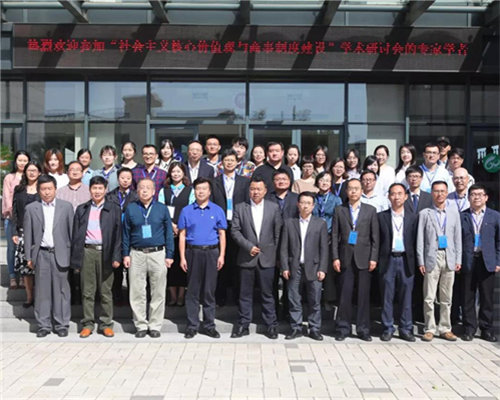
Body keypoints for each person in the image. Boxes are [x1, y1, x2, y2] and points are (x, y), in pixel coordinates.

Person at [231, 176, 283, 339]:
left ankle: (271, 325)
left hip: (267, 258)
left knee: (268, 294)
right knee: (245, 294)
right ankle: (243, 324)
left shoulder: (273, 207)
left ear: (265, 191)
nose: (255, 192)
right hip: (246, 257)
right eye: (253, 189)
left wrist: (274, 254)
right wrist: (248, 246)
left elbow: (277, 232)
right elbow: (235, 231)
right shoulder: (241, 207)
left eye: (259, 189)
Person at [122, 178, 175, 338]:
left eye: (148, 188)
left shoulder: (162, 208)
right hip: (136, 253)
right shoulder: (131, 208)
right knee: (137, 291)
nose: (144, 190)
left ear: (154, 191)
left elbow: (168, 232)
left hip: (158, 253)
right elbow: (125, 233)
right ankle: (140, 325)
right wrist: (125, 254)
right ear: (137, 191)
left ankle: (155, 325)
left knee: (158, 291)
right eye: (141, 188)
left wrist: (169, 255)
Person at [71, 176, 122, 338]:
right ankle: (87, 323)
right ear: (90, 189)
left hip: (106, 252)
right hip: (87, 252)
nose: (97, 191)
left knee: (106, 291)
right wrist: (76, 259)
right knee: (87, 291)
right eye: (94, 188)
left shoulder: (113, 209)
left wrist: (116, 256)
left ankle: (106, 324)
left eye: (100, 188)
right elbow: (76, 235)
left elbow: (118, 235)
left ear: (106, 190)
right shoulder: (82, 209)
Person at [23, 174, 74, 337]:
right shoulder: (31, 208)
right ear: (38, 190)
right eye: (43, 189)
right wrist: (28, 257)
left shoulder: (66, 207)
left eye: (49, 189)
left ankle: (61, 324)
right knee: (42, 291)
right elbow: (28, 235)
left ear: (55, 189)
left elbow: (71, 233)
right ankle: (43, 325)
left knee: (61, 291)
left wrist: (73, 256)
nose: (46, 192)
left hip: (61, 253)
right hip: (41, 254)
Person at [178, 177, 227, 339]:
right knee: (192, 290)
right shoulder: (186, 211)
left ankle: (209, 325)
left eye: (204, 189)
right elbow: (182, 235)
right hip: (193, 253)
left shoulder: (217, 210)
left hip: (211, 253)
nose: (201, 192)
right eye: (198, 189)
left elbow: (222, 234)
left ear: (209, 191)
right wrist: (182, 257)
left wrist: (222, 255)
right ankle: (192, 325)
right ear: (194, 191)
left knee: (209, 291)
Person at [332, 178, 379, 341]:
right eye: (350, 188)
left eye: (356, 188)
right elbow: (335, 235)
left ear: (361, 191)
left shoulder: (370, 210)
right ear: (346, 191)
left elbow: (375, 237)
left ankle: (363, 329)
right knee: (344, 295)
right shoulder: (339, 210)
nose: (353, 191)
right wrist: (335, 257)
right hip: (345, 257)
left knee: (363, 296)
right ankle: (343, 328)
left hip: (364, 258)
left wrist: (373, 258)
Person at [417, 181, 462, 342]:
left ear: (447, 193)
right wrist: (421, 261)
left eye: (443, 191)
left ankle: (445, 328)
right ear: (432, 193)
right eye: (436, 191)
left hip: (449, 257)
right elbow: (420, 239)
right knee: (429, 296)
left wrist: (458, 259)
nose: (439, 194)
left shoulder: (454, 213)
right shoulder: (425, 213)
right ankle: (429, 328)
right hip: (432, 257)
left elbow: (457, 238)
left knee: (446, 297)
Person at [280, 192, 329, 341]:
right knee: (294, 299)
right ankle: (296, 327)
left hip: (314, 267)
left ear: (313, 206)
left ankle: (314, 328)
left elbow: (324, 249)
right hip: (294, 267)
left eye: (308, 203)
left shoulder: (320, 223)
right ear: (298, 204)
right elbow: (284, 247)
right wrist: (284, 267)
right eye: (302, 202)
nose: (305, 206)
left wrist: (322, 268)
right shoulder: (289, 223)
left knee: (314, 300)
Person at [378, 183, 418, 342]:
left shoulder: (413, 217)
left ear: (406, 196)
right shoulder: (381, 217)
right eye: (393, 194)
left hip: (406, 260)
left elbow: (416, 241)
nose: (396, 197)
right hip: (388, 260)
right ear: (388, 196)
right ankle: (387, 328)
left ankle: (406, 328)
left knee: (406, 296)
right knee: (387, 296)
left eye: (400, 193)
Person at [460, 184, 500, 342]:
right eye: (473, 194)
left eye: (480, 194)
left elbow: (499, 241)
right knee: (467, 296)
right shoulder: (462, 216)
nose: (476, 197)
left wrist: (498, 261)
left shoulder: (495, 216)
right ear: (469, 197)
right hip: (468, 260)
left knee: (487, 297)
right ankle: (469, 328)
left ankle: (486, 329)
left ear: (486, 197)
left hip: (487, 260)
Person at [210, 149, 250, 306]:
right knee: (221, 261)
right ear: (222, 163)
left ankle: (237, 296)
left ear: (237, 163)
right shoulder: (214, 182)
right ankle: (220, 296)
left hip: (238, 225)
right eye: (226, 160)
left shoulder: (244, 182)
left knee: (237, 261)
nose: (229, 163)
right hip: (220, 225)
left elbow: (247, 204)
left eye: (232, 160)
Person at [158, 162, 194, 307]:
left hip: (184, 232)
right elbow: (161, 210)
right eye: (173, 171)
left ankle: (181, 296)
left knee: (183, 263)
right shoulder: (164, 190)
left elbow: (191, 209)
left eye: (179, 171)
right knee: (170, 264)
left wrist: (181, 226)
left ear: (183, 173)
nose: (176, 174)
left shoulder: (190, 190)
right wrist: (171, 225)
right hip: (168, 231)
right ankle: (172, 296)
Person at [106, 167, 139, 305]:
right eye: (122, 178)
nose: (125, 181)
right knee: (116, 268)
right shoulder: (110, 196)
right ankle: (117, 296)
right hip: (114, 234)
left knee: (133, 269)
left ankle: (132, 299)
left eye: (128, 178)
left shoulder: (136, 196)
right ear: (118, 179)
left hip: (131, 234)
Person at [11, 162, 41, 307]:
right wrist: (14, 232)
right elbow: (15, 212)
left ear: (40, 172)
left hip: (41, 233)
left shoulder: (44, 189)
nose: (32, 173)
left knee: (40, 268)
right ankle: (29, 297)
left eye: (35, 170)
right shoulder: (19, 190)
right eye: (29, 170)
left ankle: (40, 298)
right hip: (23, 232)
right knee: (26, 268)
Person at [312, 171, 342, 310]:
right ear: (317, 181)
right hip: (313, 237)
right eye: (322, 180)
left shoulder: (336, 200)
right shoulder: (312, 198)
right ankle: (313, 298)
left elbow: (339, 220)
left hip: (329, 237)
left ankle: (329, 299)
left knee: (328, 269)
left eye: (328, 181)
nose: (324, 183)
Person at [2, 150, 30, 289]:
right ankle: (13, 276)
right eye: (20, 160)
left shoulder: (31, 176)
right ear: (15, 161)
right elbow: (7, 198)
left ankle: (23, 276)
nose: (22, 163)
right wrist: (14, 214)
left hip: (27, 219)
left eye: (25, 160)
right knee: (12, 248)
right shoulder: (9, 177)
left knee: (25, 248)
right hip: (12, 218)